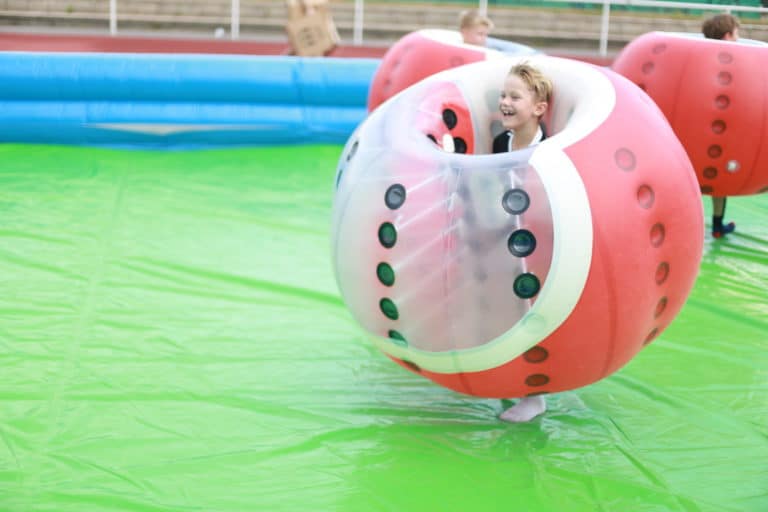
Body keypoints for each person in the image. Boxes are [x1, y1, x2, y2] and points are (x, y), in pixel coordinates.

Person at [493, 62, 553, 422]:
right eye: (503, 95)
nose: (505, 102)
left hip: (539, 246)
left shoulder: (553, 148)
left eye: (515, 96)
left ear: (539, 108)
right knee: (507, 314)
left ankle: (535, 396)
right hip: (506, 241)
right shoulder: (502, 141)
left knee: (532, 317)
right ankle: (513, 380)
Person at [702, 13, 740, 238]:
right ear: (727, 37)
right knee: (719, 180)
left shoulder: (698, 58)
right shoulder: (735, 63)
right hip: (723, 133)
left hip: (696, 134)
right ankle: (717, 225)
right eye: (736, 34)